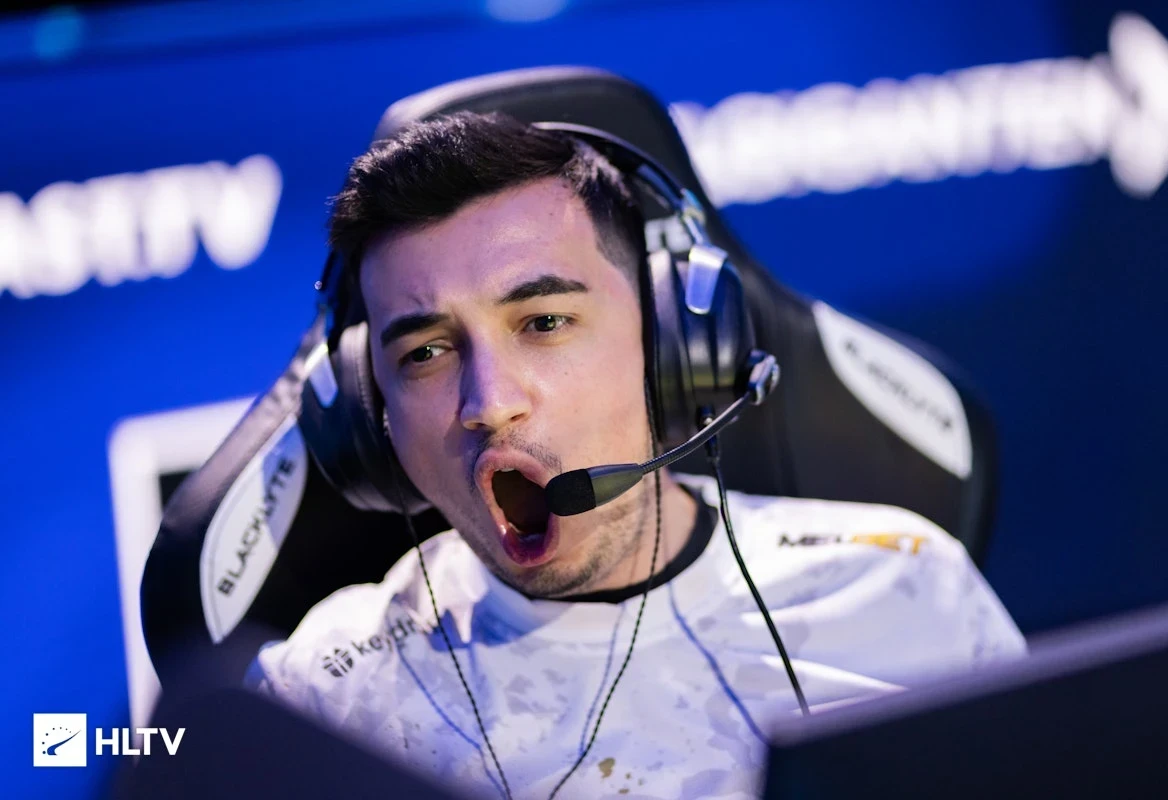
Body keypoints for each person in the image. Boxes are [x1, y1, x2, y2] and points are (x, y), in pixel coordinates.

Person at [246, 111, 1025, 799]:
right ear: (369, 414)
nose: (490, 402)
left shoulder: (906, 590)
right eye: (424, 353)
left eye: (544, 323)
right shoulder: (325, 701)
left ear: (666, 342)